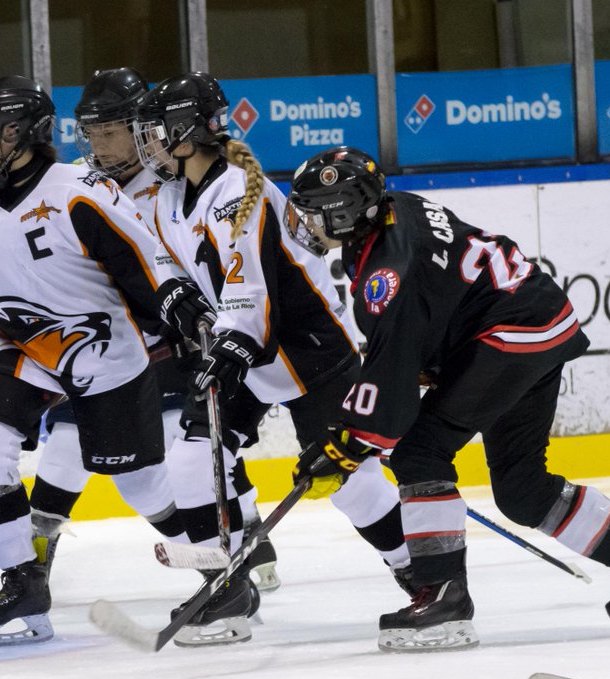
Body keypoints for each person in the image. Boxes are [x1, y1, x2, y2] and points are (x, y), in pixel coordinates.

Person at [287, 145, 610, 651]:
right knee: (523, 491)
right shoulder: (395, 206)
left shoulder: (387, 275)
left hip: (512, 335)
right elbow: (436, 311)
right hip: (536, 322)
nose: (305, 224)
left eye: (313, 213)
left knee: (420, 452)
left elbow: (392, 396)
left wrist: (345, 449)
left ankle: (443, 595)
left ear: (343, 214)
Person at [0, 75, 188, 647]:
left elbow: (145, 262)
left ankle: (209, 561)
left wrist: (181, 312)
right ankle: (23, 581)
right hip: (19, 344)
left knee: (140, 484)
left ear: (27, 134)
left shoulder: (79, 187)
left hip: (99, 346)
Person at [134, 73, 413, 644]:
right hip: (248, 353)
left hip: (306, 350)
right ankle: (227, 587)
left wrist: (229, 345)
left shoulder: (240, 192)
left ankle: (425, 575)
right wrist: (175, 292)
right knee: (190, 461)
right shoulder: (169, 197)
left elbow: (252, 292)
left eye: (158, 131)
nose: (150, 144)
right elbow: (164, 259)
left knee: (352, 483)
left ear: (187, 132)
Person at [28, 66, 279, 595]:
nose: (99, 143)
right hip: (107, 345)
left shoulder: (173, 182)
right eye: (91, 132)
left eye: (111, 131)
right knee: (93, 460)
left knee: (180, 453)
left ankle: (234, 542)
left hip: (171, 345)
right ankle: (31, 565)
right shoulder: (79, 181)